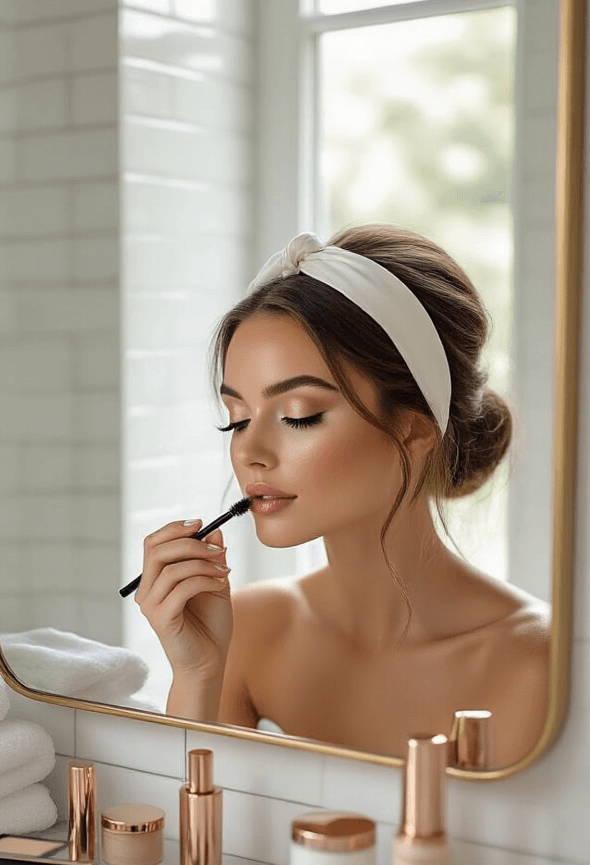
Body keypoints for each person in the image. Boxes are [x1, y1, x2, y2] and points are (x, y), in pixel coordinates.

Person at [135, 225, 550, 768]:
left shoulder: (537, 666)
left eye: (298, 416)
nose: (250, 452)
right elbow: (186, 847)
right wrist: (196, 675)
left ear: (414, 428)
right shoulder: (250, 631)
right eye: (236, 421)